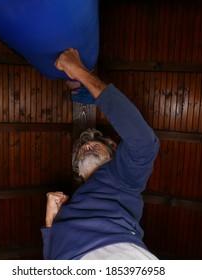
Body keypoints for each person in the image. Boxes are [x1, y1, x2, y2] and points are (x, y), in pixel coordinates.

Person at [41, 48, 160, 260]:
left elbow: (51, 261)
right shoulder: (122, 179)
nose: (87, 146)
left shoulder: (120, 175)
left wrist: (51, 224)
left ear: (114, 156)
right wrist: (78, 71)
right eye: (85, 147)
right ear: (78, 170)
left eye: (96, 144)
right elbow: (144, 143)